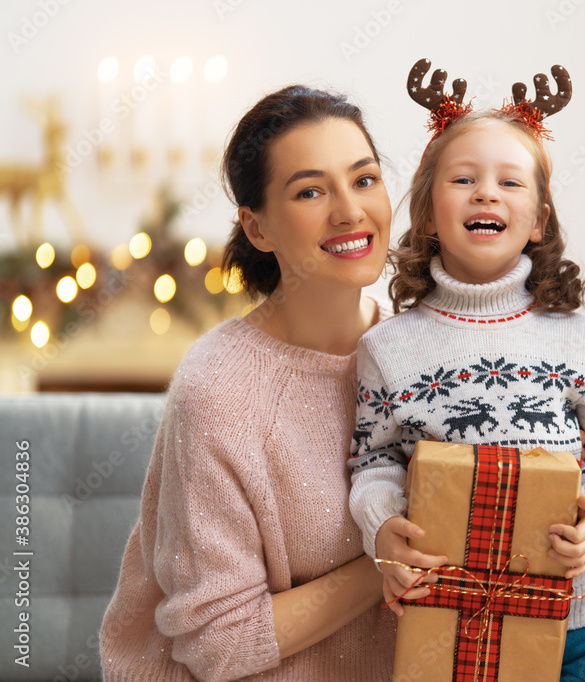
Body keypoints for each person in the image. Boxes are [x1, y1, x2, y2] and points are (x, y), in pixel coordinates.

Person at [348, 62, 585, 682]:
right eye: (464, 179)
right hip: (443, 622)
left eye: (510, 183)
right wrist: (381, 530)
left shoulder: (578, 339)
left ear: (538, 221)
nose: (486, 193)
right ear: (428, 212)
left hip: (572, 627)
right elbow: (371, 464)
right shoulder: (386, 348)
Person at [100, 85, 397, 681]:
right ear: (257, 227)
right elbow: (221, 646)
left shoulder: (417, 355)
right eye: (311, 191)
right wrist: (385, 563)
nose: (349, 211)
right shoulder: (220, 390)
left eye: (364, 179)